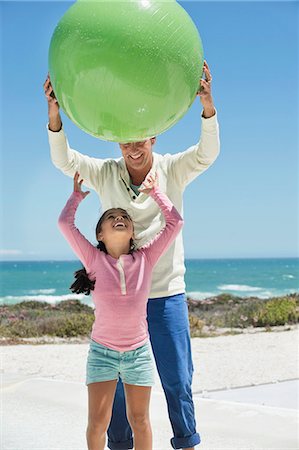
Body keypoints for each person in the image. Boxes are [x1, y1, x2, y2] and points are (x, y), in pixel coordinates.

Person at [45, 60, 220, 450]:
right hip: (121, 301)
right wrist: (55, 116)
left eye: (141, 140)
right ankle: (120, 446)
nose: (133, 148)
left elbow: (207, 154)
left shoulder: (172, 168)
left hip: (165, 294)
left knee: (177, 378)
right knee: (118, 388)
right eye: (125, 141)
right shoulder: (107, 172)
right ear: (116, 143)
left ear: (154, 138)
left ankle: (186, 442)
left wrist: (207, 108)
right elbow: (65, 162)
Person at [59, 171, 183, 450]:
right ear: (100, 234)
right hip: (102, 353)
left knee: (140, 420)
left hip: (138, 353)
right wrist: (76, 198)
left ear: (132, 232)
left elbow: (175, 223)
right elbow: (64, 224)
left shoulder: (146, 258)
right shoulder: (93, 259)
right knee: (98, 422)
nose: (119, 219)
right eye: (111, 217)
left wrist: (156, 194)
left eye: (125, 218)